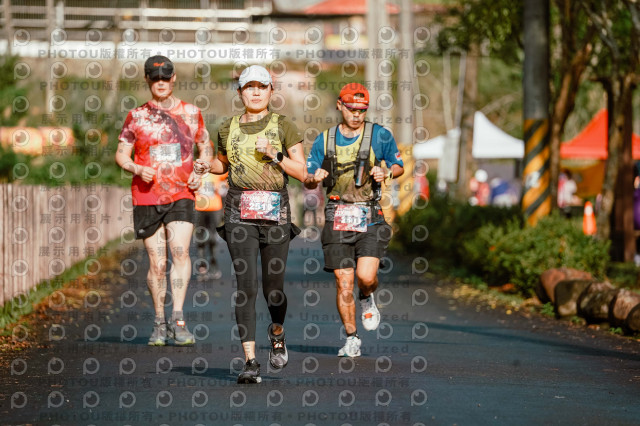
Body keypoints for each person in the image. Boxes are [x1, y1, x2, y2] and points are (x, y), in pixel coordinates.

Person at [205, 65, 306, 383]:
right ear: (240, 92)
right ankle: (250, 361)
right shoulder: (227, 127)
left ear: (271, 91)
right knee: (245, 287)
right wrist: (205, 164)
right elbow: (221, 164)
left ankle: (277, 332)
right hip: (239, 212)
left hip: (275, 212)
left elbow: (302, 172)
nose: (256, 92)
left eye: (262, 86)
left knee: (273, 289)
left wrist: (276, 154)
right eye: (249, 87)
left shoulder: (284, 125)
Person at [115, 55, 213, 346]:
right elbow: (121, 154)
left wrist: (200, 171)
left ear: (174, 78)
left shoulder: (192, 113)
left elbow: (206, 147)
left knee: (180, 252)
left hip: (182, 192)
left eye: (165, 77)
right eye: (154, 77)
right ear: (147, 79)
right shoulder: (136, 116)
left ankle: (178, 319)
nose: (160, 82)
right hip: (147, 194)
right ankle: (159, 320)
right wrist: (136, 168)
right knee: (157, 263)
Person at [304, 83, 404, 357]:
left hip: (369, 216)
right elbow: (308, 176)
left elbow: (398, 165)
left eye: (362, 110)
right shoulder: (324, 140)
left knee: (365, 277)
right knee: (343, 281)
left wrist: (387, 172)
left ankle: (367, 295)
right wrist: (314, 178)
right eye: (351, 109)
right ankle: (351, 337)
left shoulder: (380, 135)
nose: (357, 115)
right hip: (337, 215)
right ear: (340, 106)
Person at [194, 171, 228, 280]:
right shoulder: (195, 168)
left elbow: (229, 178)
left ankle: (213, 265)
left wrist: (222, 186)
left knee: (213, 238)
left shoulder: (216, 169)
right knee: (200, 238)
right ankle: (202, 267)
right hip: (199, 207)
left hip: (214, 208)